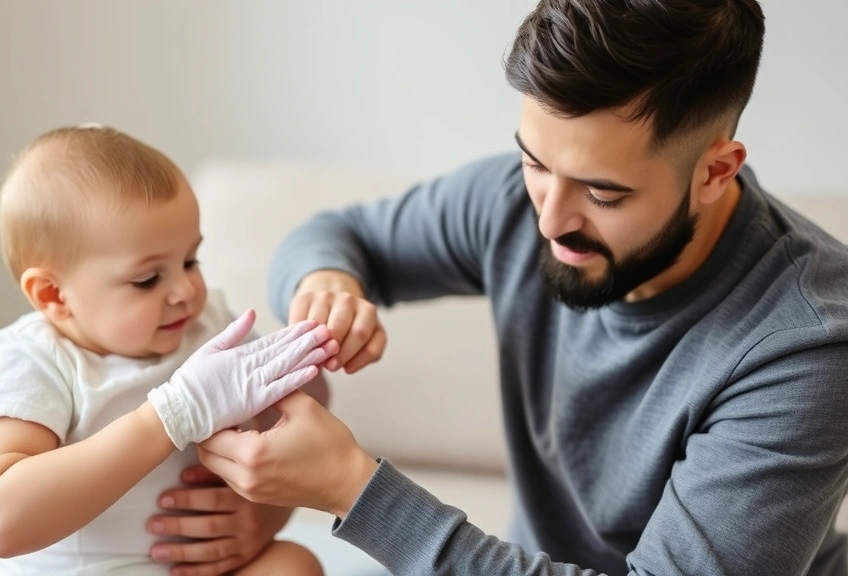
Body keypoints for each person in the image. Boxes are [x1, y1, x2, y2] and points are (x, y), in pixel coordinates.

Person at [195, 1, 848, 574]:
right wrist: (327, 285)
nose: (549, 219)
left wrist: (352, 488)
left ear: (716, 171)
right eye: (535, 162)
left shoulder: (805, 346)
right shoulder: (515, 202)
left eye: (602, 192)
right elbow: (334, 235)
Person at [0, 125, 334, 576]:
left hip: (188, 567)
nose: (186, 290)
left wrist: (312, 350)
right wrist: (170, 416)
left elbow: (302, 401)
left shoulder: (205, 324)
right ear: (54, 296)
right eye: (148, 279)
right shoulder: (31, 360)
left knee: (294, 564)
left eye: (190, 260)